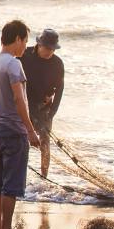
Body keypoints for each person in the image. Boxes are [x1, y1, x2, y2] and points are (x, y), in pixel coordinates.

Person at [0, 20, 40, 229]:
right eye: (25, 41)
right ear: (17, 38)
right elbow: (20, 99)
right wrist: (30, 130)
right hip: (14, 128)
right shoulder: (13, 64)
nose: (25, 47)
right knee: (12, 182)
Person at [20, 29, 64, 178]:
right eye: (47, 47)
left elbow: (60, 89)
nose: (49, 51)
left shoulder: (57, 63)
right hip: (23, 104)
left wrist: (52, 113)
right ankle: (21, 174)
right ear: (38, 44)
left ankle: (44, 177)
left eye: (52, 49)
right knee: (22, 140)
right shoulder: (24, 55)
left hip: (43, 107)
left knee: (45, 142)